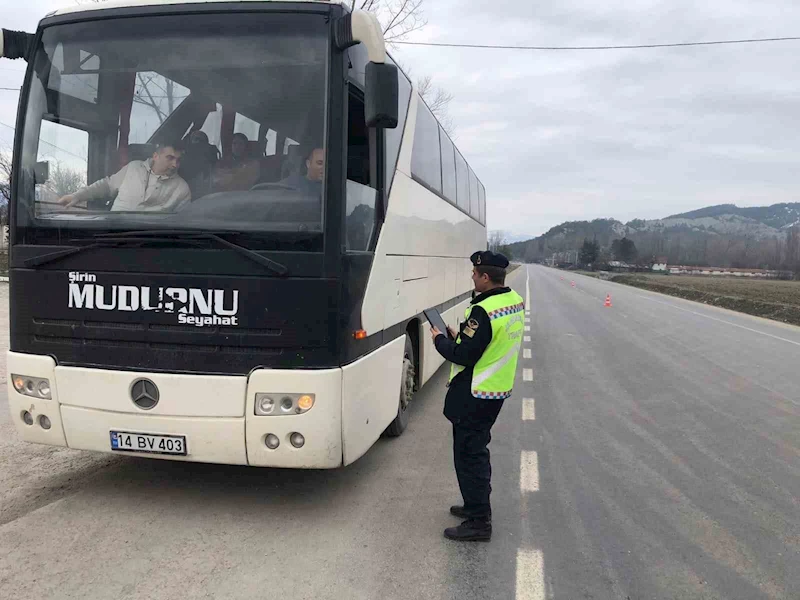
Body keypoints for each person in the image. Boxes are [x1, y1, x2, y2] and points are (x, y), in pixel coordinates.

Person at [429, 250, 525, 542]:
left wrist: (439, 340)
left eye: (474, 272)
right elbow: (488, 342)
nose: (472, 275)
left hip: (475, 394)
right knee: (475, 452)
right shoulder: (512, 301)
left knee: (470, 457)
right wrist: (460, 334)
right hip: (495, 390)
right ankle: (474, 505)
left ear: (485, 277)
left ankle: (479, 521)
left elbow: (462, 355)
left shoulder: (482, 310)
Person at [58, 142, 191, 211]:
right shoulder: (133, 168)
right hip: (111, 235)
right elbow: (106, 186)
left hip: (151, 242)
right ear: (155, 156)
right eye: (170, 158)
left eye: (178, 160)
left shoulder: (182, 189)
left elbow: (184, 225)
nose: (175, 164)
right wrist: (78, 195)